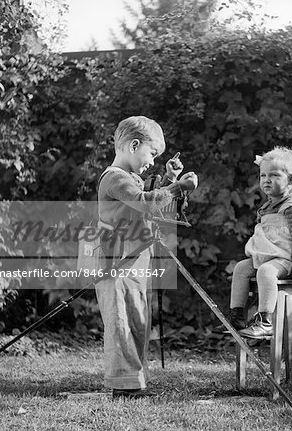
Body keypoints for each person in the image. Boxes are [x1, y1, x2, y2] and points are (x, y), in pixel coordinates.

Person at [96, 116, 198, 398]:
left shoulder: (130, 178)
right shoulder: (114, 178)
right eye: (152, 154)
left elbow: (148, 201)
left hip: (134, 262)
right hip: (115, 265)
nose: (152, 161)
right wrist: (177, 188)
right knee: (122, 324)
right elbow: (145, 203)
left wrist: (170, 179)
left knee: (139, 319)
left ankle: (133, 382)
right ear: (134, 145)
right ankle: (123, 386)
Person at [214, 146, 292, 339]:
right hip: (271, 257)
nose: (267, 180)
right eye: (263, 176)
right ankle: (236, 316)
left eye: (274, 175)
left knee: (266, 271)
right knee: (240, 268)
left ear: (291, 181)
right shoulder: (267, 207)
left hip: (289, 258)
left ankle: (264, 321)